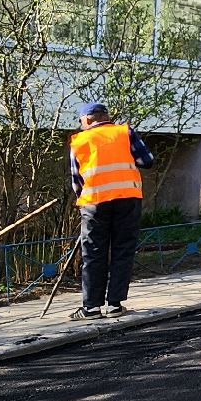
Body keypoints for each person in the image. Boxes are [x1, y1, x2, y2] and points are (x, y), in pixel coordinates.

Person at [69, 101, 154, 320]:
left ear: (87, 119)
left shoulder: (80, 141)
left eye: (81, 121)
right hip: (128, 199)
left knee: (93, 253)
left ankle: (91, 308)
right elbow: (147, 160)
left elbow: (76, 181)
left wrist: (83, 202)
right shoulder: (124, 132)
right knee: (122, 250)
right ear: (105, 116)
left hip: (94, 202)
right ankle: (115, 305)